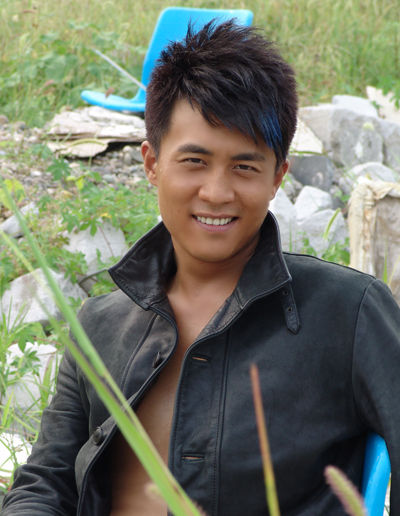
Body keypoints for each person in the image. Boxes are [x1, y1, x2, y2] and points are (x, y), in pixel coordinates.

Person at [2, 20, 400, 516]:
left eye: (245, 167)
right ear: (152, 164)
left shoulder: (348, 313)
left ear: (278, 176)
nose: (216, 192)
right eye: (194, 161)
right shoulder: (98, 326)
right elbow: (44, 484)